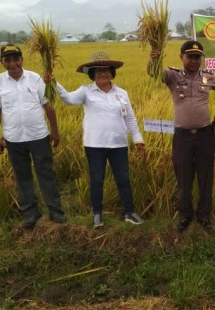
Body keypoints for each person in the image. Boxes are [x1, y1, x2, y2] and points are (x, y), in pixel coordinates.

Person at [52, 51, 146, 228]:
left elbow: (130, 118)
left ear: (112, 72)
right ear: (92, 74)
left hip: (118, 144)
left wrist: (137, 139)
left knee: (123, 179)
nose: (103, 73)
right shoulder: (86, 92)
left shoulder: (121, 93)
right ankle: (97, 215)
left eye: (107, 69)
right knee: (97, 180)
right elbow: (69, 100)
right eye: (98, 70)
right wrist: (54, 83)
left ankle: (130, 212)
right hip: (95, 145)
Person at [150, 40, 215, 232]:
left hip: (204, 135)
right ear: (181, 57)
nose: (194, 61)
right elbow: (154, 74)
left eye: (197, 57)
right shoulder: (173, 76)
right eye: (190, 57)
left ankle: (204, 216)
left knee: (205, 176)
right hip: (183, 137)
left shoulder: (208, 77)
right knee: (183, 177)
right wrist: (154, 60)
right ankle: (185, 215)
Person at [0, 43, 65, 230]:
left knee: (45, 173)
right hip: (13, 139)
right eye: (8, 60)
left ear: (22, 60)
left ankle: (55, 211)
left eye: (16, 59)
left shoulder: (36, 79)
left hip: (39, 136)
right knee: (23, 177)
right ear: (2, 62)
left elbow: (48, 106)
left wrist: (54, 131)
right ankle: (31, 213)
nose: (12, 63)